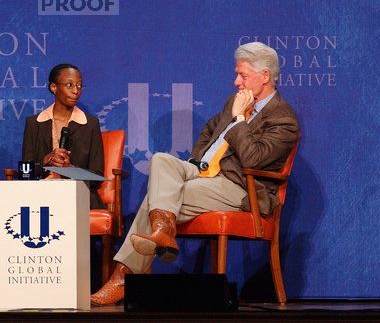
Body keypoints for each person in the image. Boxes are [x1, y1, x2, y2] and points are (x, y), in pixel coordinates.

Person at [91, 42, 300, 305]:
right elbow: (210, 132)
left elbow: (253, 158)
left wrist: (238, 120)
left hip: (238, 187)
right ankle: (162, 231)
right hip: (204, 175)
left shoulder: (283, 118)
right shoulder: (234, 101)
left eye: (243, 75)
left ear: (265, 76)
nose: (236, 82)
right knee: (161, 160)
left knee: (158, 197)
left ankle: (124, 274)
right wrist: (197, 163)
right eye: (237, 74)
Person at [22, 63, 105, 209]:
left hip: (77, 194)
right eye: (69, 85)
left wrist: (69, 168)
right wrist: (44, 161)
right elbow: (25, 173)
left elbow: (96, 178)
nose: (76, 91)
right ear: (53, 87)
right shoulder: (34, 123)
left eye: (79, 86)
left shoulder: (90, 124)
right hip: (41, 193)